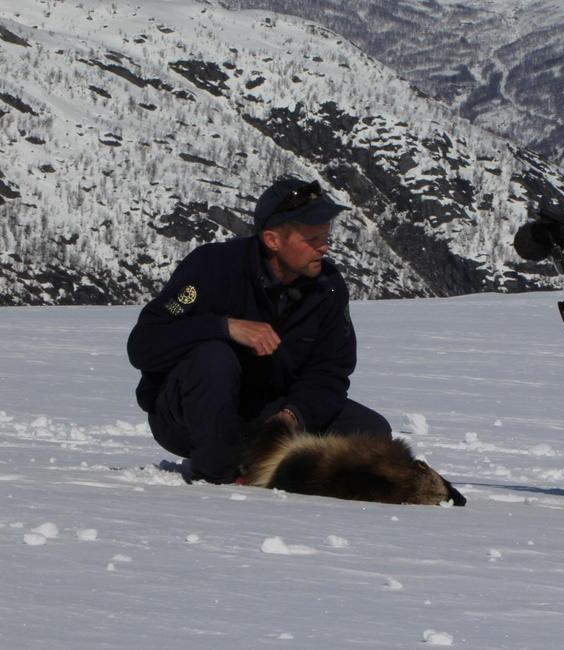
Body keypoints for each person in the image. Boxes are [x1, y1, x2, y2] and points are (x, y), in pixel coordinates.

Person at [127, 177, 391, 484]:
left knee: (371, 433)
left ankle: (281, 469)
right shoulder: (212, 267)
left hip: (265, 416)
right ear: (272, 240)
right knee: (214, 357)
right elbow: (144, 345)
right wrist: (224, 327)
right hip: (186, 416)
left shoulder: (328, 289)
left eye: (326, 236)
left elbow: (331, 371)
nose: (324, 247)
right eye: (312, 240)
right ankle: (218, 476)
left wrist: (295, 415)